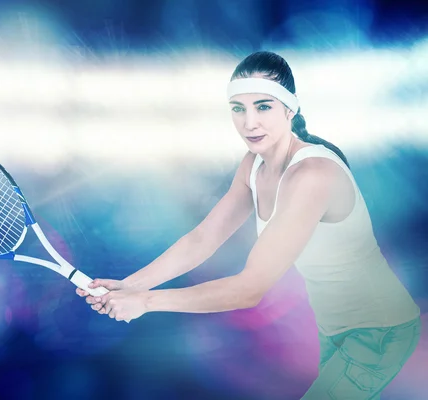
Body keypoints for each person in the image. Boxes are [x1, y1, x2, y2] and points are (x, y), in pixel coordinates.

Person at [76, 51, 421, 398]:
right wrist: (129, 287)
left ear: (291, 109)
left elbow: (249, 289)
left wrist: (147, 302)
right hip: (337, 330)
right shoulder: (254, 164)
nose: (249, 122)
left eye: (263, 106)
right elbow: (203, 238)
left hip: (378, 330)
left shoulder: (313, 175)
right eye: (238, 109)